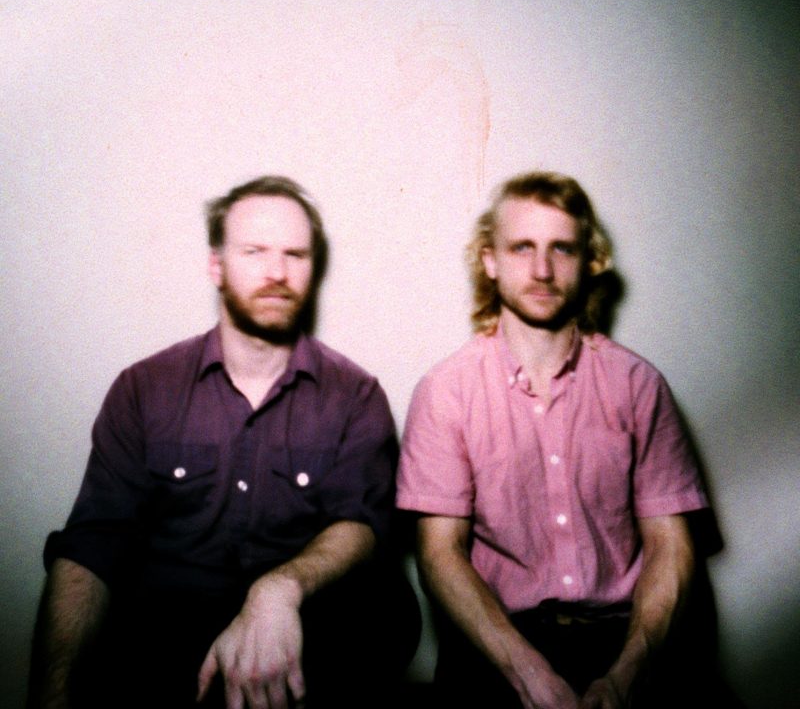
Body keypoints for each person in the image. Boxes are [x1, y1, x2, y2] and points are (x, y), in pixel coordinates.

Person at [28, 176, 419, 709]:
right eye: (255, 252)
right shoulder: (145, 389)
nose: (277, 272)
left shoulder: (355, 395)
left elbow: (362, 524)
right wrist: (51, 696)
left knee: (384, 614)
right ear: (216, 265)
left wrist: (278, 590)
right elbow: (93, 546)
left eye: (295, 255)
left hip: (305, 638)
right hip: (164, 646)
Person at [396, 172, 711, 708]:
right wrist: (527, 675)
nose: (542, 270)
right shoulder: (446, 390)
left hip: (625, 638)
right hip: (495, 642)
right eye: (522, 247)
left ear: (588, 261)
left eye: (562, 248)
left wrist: (627, 674)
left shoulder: (638, 385)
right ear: (490, 261)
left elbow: (671, 545)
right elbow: (439, 554)